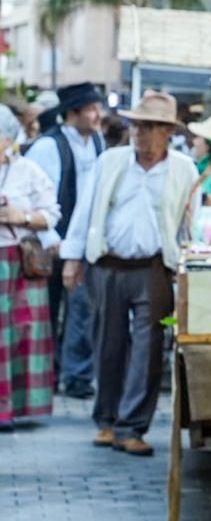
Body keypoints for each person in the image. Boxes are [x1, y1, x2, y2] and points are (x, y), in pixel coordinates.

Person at [61, 91, 198, 457]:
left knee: (149, 350)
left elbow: (189, 223)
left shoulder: (184, 168)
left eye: (150, 126)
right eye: (136, 124)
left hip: (154, 268)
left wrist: (187, 267)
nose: (140, 132)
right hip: (107, 265)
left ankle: (132, 426)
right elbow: (85, 211)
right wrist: (72, 258)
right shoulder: (111, 161)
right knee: (107, 344)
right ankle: (106, 420)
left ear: (168, 131)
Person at [23, 82, 105, 401]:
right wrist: (51, 237)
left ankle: (76, 377)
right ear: (73, 113)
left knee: (81, 309)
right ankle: (49, 374)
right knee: (47, 310)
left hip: (82, 240)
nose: (98, 115)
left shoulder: (97, 142)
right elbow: (38, 198)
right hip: (50, 241)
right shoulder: (49, 145)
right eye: (92, 109)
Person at [0, 106, 61, 429]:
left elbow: (51, 214)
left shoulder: (28, 171)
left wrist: (18, 217)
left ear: (8, 138)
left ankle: (16, 408)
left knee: (22, 332)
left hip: (20, 262)